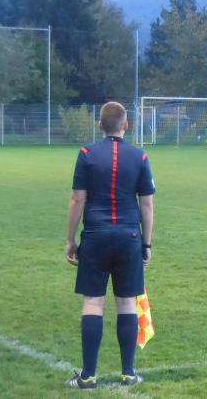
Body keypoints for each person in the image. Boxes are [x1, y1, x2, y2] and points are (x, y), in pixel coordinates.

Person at [64, 102, 155, 389]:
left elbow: (78, 199)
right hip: (129, 237)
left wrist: (70, 238)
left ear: (100, 125)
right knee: (127, 303)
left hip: (95, 236)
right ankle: (128, 373)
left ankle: (88, 376)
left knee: (93, 303)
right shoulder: (140, 157)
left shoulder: (86, 154)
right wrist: (147, 243)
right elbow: (147, 204)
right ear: (125, 126)